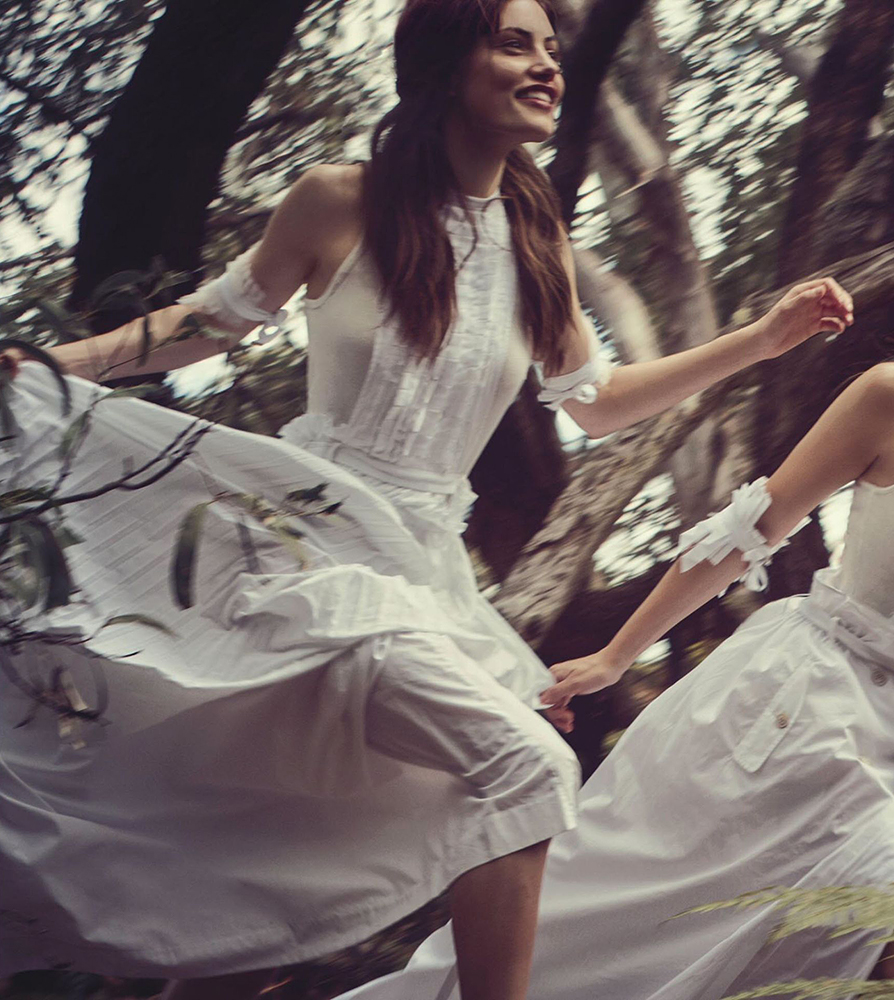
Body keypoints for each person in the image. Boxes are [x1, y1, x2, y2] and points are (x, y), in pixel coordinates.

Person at [0, 0, 852, 997]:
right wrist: (47, 367)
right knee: (527, 769)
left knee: (293, 848)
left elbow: (599, 402)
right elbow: (208, 323)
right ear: (448, 62)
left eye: (551, 47)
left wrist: (761, 340)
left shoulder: (534, 235)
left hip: (426, 574)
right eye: (514, 43)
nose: (547, 65)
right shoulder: (337, 199)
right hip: (307, 555)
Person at [332, 362, 894, 1000]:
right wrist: (615, 656)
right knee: (593, 927)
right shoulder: (885, 397)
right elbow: (747, 533)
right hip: (800, 709)